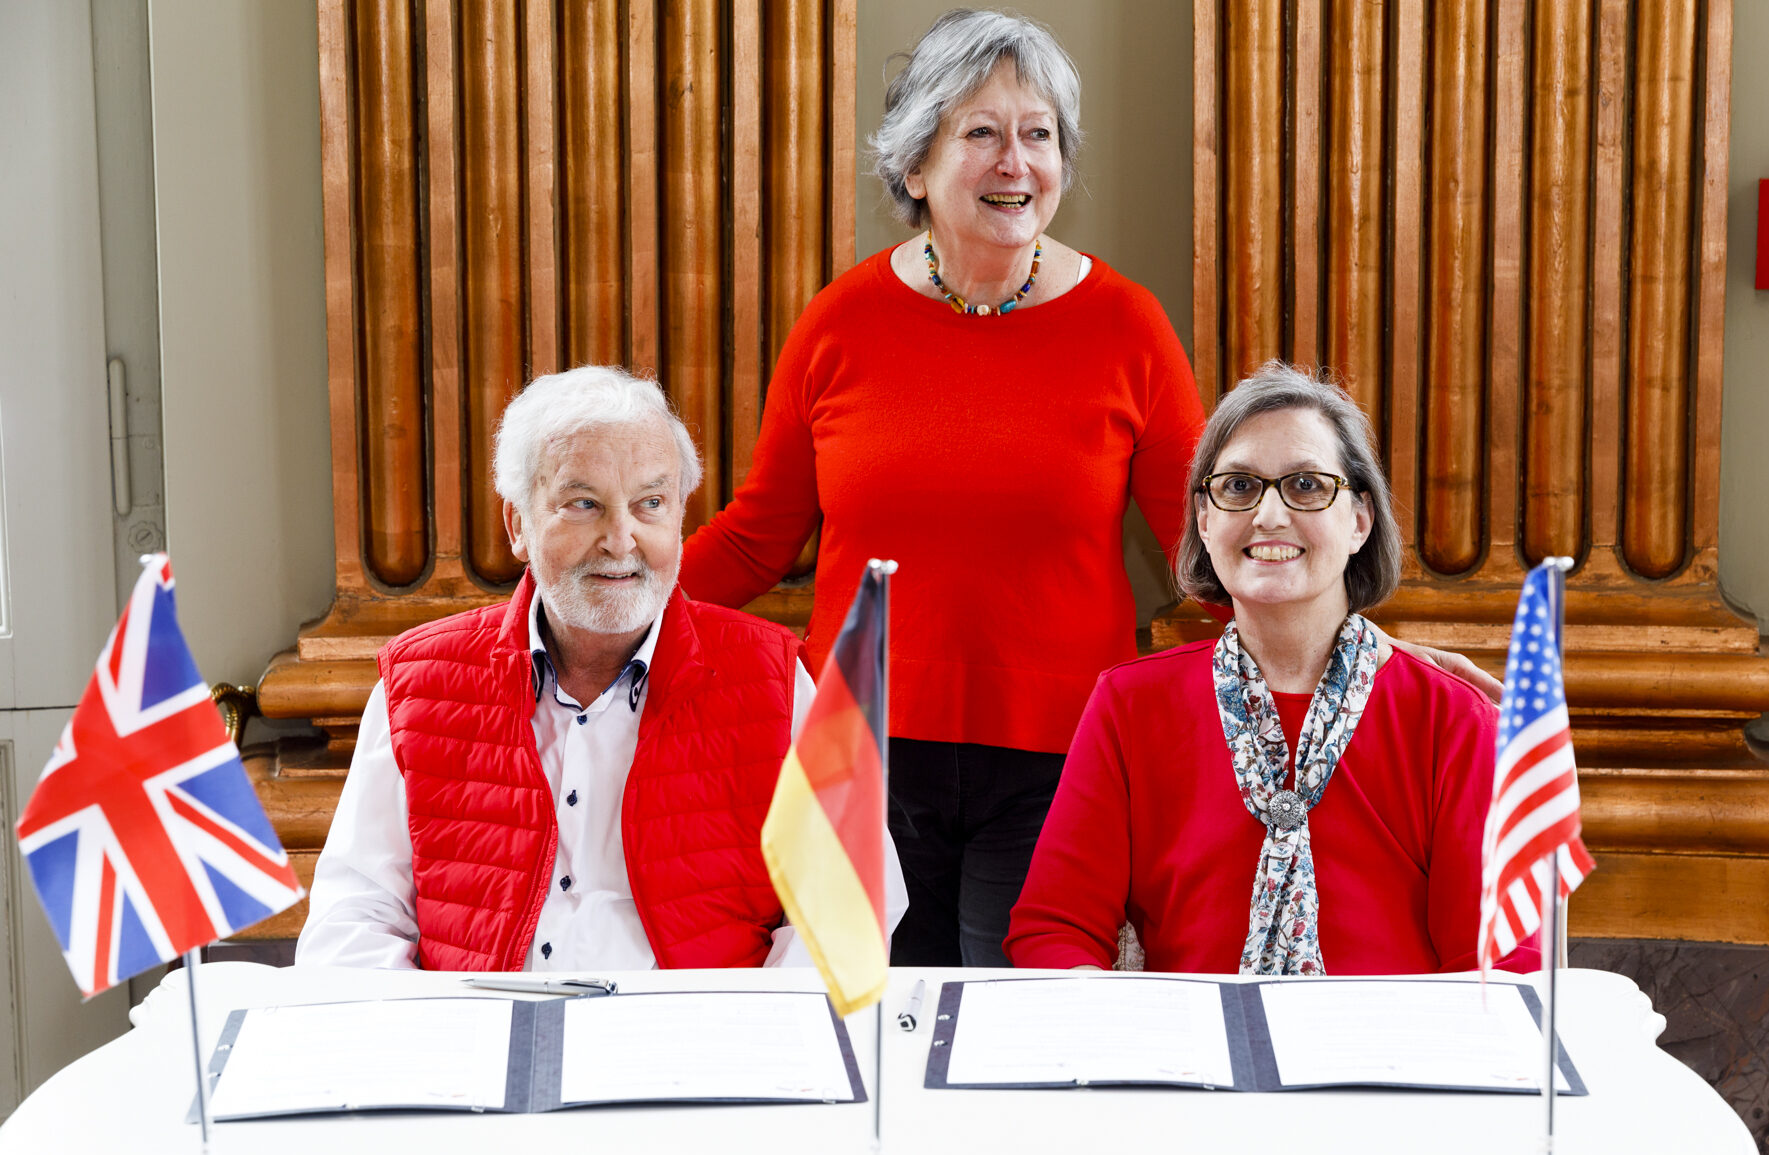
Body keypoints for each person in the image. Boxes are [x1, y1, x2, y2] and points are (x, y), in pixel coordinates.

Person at [679, 9, 1204, 968]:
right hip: (862, 751)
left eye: (1038, 134)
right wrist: (589, 616)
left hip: (1059, 760)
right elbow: (759, 540)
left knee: (1009, 1038)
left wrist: (1348, 656)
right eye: (982, 132)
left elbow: (1207, 557)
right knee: (878, 1025)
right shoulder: (839, 323)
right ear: (915, 168)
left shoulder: (1130, 327)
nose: (1017, 162)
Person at [298, 366, 904, 971]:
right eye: (583, 503)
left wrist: (746, 1038)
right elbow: (356, 914)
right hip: (483, 1043)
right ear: (519, 525)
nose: (622, 539)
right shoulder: (420, 683)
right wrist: (442, 1049)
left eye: (651, 504)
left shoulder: (774, 680)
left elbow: (849, 899)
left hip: (694, 1048)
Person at [1005, 363, 1539, 975]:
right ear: (1204, 520)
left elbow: (1500, 967)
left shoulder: (1451, 717)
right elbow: (1056, 928)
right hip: (1184, 1060)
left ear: (1360, 520)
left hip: (1391, 1064)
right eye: (1238, 487)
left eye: (1308, 485)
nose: (1269, 515)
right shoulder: (1131, 704)